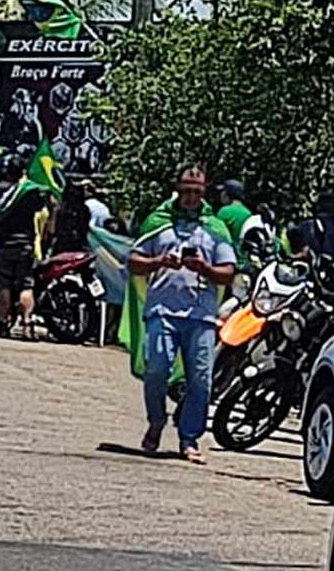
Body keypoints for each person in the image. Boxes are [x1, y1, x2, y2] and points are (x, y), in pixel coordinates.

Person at [128, 166, 236, 464]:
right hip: (162, 311)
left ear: (205, 192)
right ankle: (156, 421)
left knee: (201, 380)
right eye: (186, 190)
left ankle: (189, 438)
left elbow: (228, 273)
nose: (190, 197)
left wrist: (205, 268)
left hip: (201, 316)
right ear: (177, 188)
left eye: (196, 191)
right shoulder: (158, 222)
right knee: (157, 370)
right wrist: (159, 261)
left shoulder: (215, 227)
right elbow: (134, 261)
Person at [0, 156, 48, 338]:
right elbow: (44, 203)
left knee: (4, 286)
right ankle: (26, 323)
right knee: (25, 286)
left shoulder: (5, 193)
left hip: (4, 245)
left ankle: (3, 324)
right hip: (25, 246)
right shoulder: (30, 192)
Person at [215, 179, 253, 266]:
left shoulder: (224, 212)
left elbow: (215, 235)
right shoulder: (248, 213)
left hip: (228, 261)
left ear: (227, 194)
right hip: (245, 262)